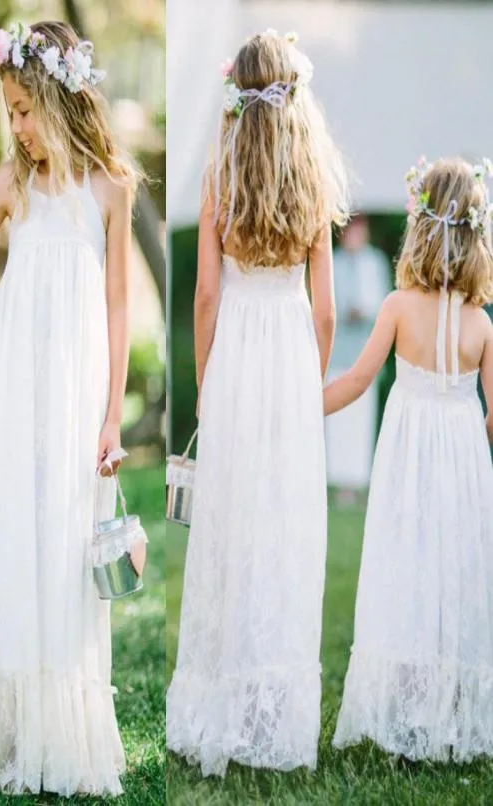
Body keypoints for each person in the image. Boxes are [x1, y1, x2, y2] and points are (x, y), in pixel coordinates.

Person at [167, 30, 348, 776]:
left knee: (232, 523)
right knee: (286, 525)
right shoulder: (311, 178)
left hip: (239, 352)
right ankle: (274, 713)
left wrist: (208, 381)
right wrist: (308, 383)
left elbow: (207, 294)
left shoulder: (219, 177)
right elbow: (327, 310)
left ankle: (223, 698)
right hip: (287, 356)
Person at [0, 21, 137, 795]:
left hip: (77, 397)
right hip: (19, 395)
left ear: (57, 99)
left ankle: (66, 730)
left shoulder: (110, 187)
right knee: (21, 537)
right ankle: (16, 723)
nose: (17, 127)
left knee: (69, 549)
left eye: (24, 110)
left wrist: (110, 418)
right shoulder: (11, 188)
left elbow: (117, 306)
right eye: (8, 113)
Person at [327, 157, 493, 761]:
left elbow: (356, 380)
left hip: (407, 463)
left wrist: (303, 406)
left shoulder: (397, 306)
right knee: (454, 569)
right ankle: (449, 700)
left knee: (408, 563)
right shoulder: (481, 325)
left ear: (419, 228)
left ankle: (404, 695)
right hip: (463, 465)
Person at [325, 214, 390, 501]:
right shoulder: (332, 261)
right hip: (339, 352)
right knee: (339, 421)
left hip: (366, 353)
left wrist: (364, 311)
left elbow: (386, 304)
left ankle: (359, 480)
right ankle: (338, 482)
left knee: (362, 420)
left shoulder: (375, 262)